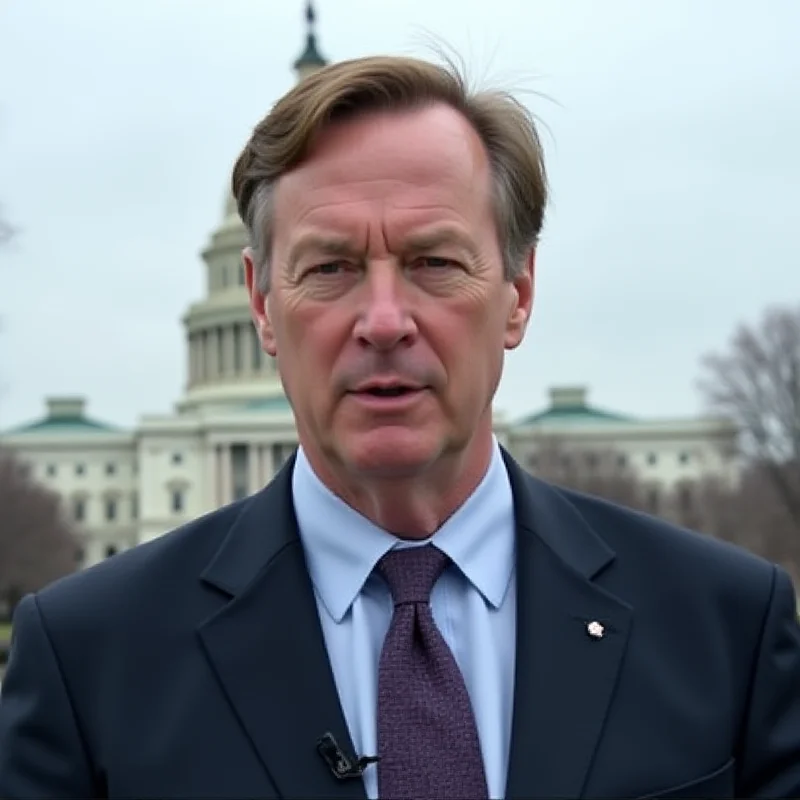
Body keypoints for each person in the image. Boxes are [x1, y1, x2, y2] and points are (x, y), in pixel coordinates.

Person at [1, 54, 799, 800]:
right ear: (258, 305)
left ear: (518, 292)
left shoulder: (726, 624)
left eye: (434, 262)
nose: (384, 322)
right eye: (330, 267)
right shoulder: (88, 658)